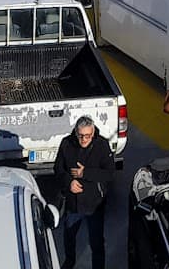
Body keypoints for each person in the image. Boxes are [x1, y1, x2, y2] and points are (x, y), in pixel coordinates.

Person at [53, 115, 114, 269]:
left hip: (94, 203)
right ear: (75, 132)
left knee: (96, 241)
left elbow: (109, 173)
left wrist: (84, 173)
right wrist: (69, 182)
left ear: (93, 133)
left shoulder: (102, 146)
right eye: (81, 135)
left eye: (87, 136)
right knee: (69, 235)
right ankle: (70, 261)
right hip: (73, 202)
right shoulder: (66, 144)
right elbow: (58, 169)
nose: (84, 139)